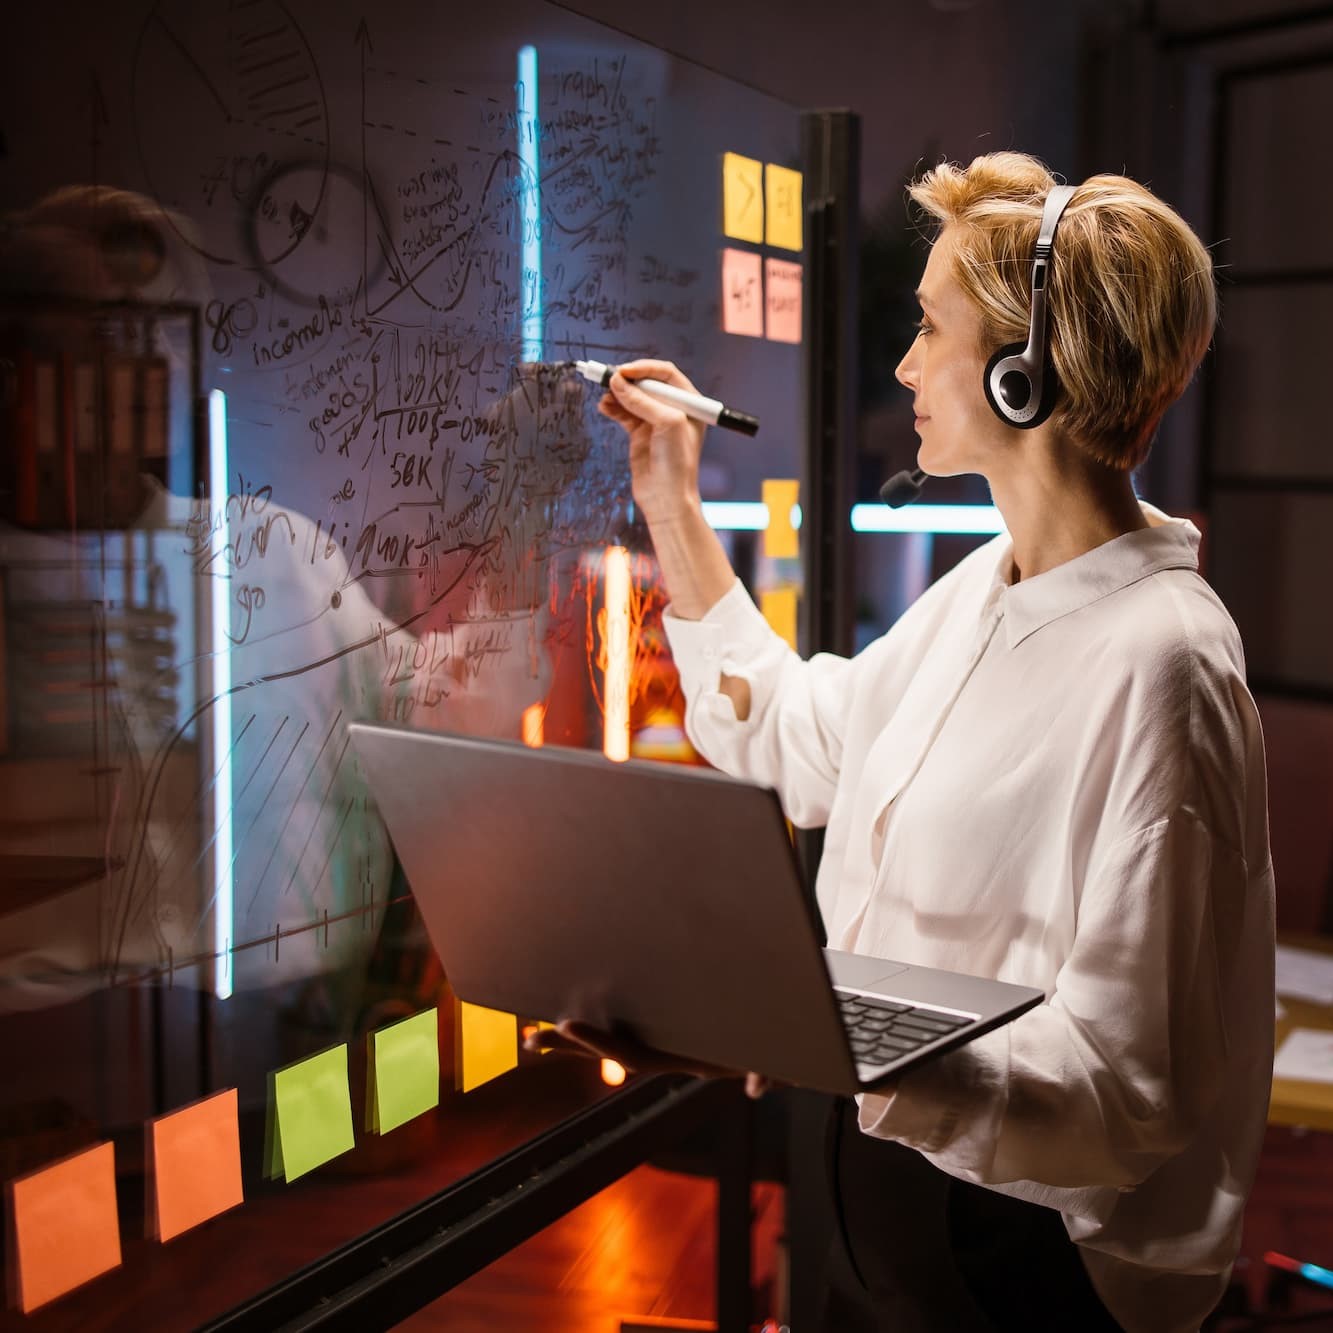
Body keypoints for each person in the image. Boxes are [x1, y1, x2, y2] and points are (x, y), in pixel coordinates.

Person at [530, 152, 1275, 1333]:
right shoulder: (984, 588)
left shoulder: (1162, 661)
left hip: (1022, 1249)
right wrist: (670, 500)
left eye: (929, 327)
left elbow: (1131, 1092)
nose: (904, 364)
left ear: (1030, 370)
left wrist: (811, 1032)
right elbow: (795, 737)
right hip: (874, 1174)